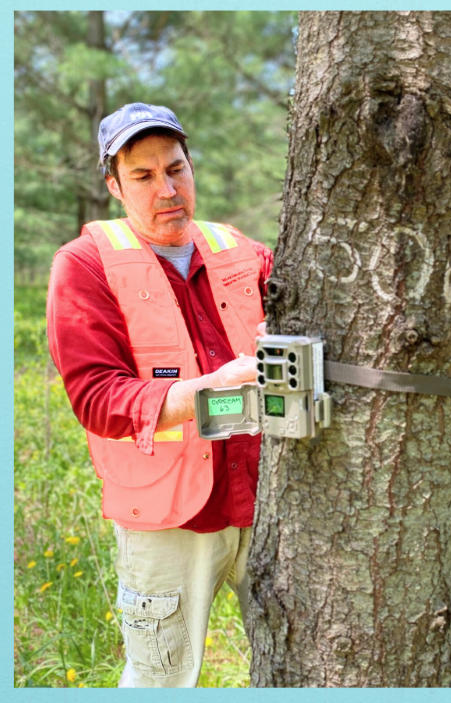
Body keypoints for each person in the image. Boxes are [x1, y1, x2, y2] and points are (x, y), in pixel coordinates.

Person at [47, 103, 273, 687]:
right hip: (166, 518)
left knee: (296, 671)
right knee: (159, 682)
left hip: (269, 501)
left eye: (176, 169)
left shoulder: (239, 249)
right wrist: (200, 392)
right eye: (143, 176)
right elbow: (97, 397)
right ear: (114, 187)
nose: (166, 189)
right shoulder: (85, 264)